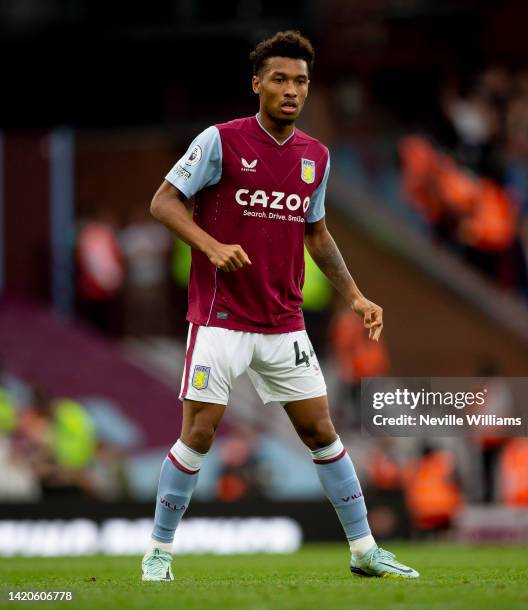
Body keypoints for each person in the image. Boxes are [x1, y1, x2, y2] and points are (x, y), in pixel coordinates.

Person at [141, 30, 419, 581]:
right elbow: (163, 202)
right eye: (280, 79)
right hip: (221, 319)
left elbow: (316, 234)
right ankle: (158, 552)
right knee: (197, 435)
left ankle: (364, 551)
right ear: (257, 84)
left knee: (322, 432)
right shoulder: (220, 141)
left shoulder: (315, 157)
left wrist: (357, 295)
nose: (292, 90)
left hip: (284, 323)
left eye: (301, 82)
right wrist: (212, 246)